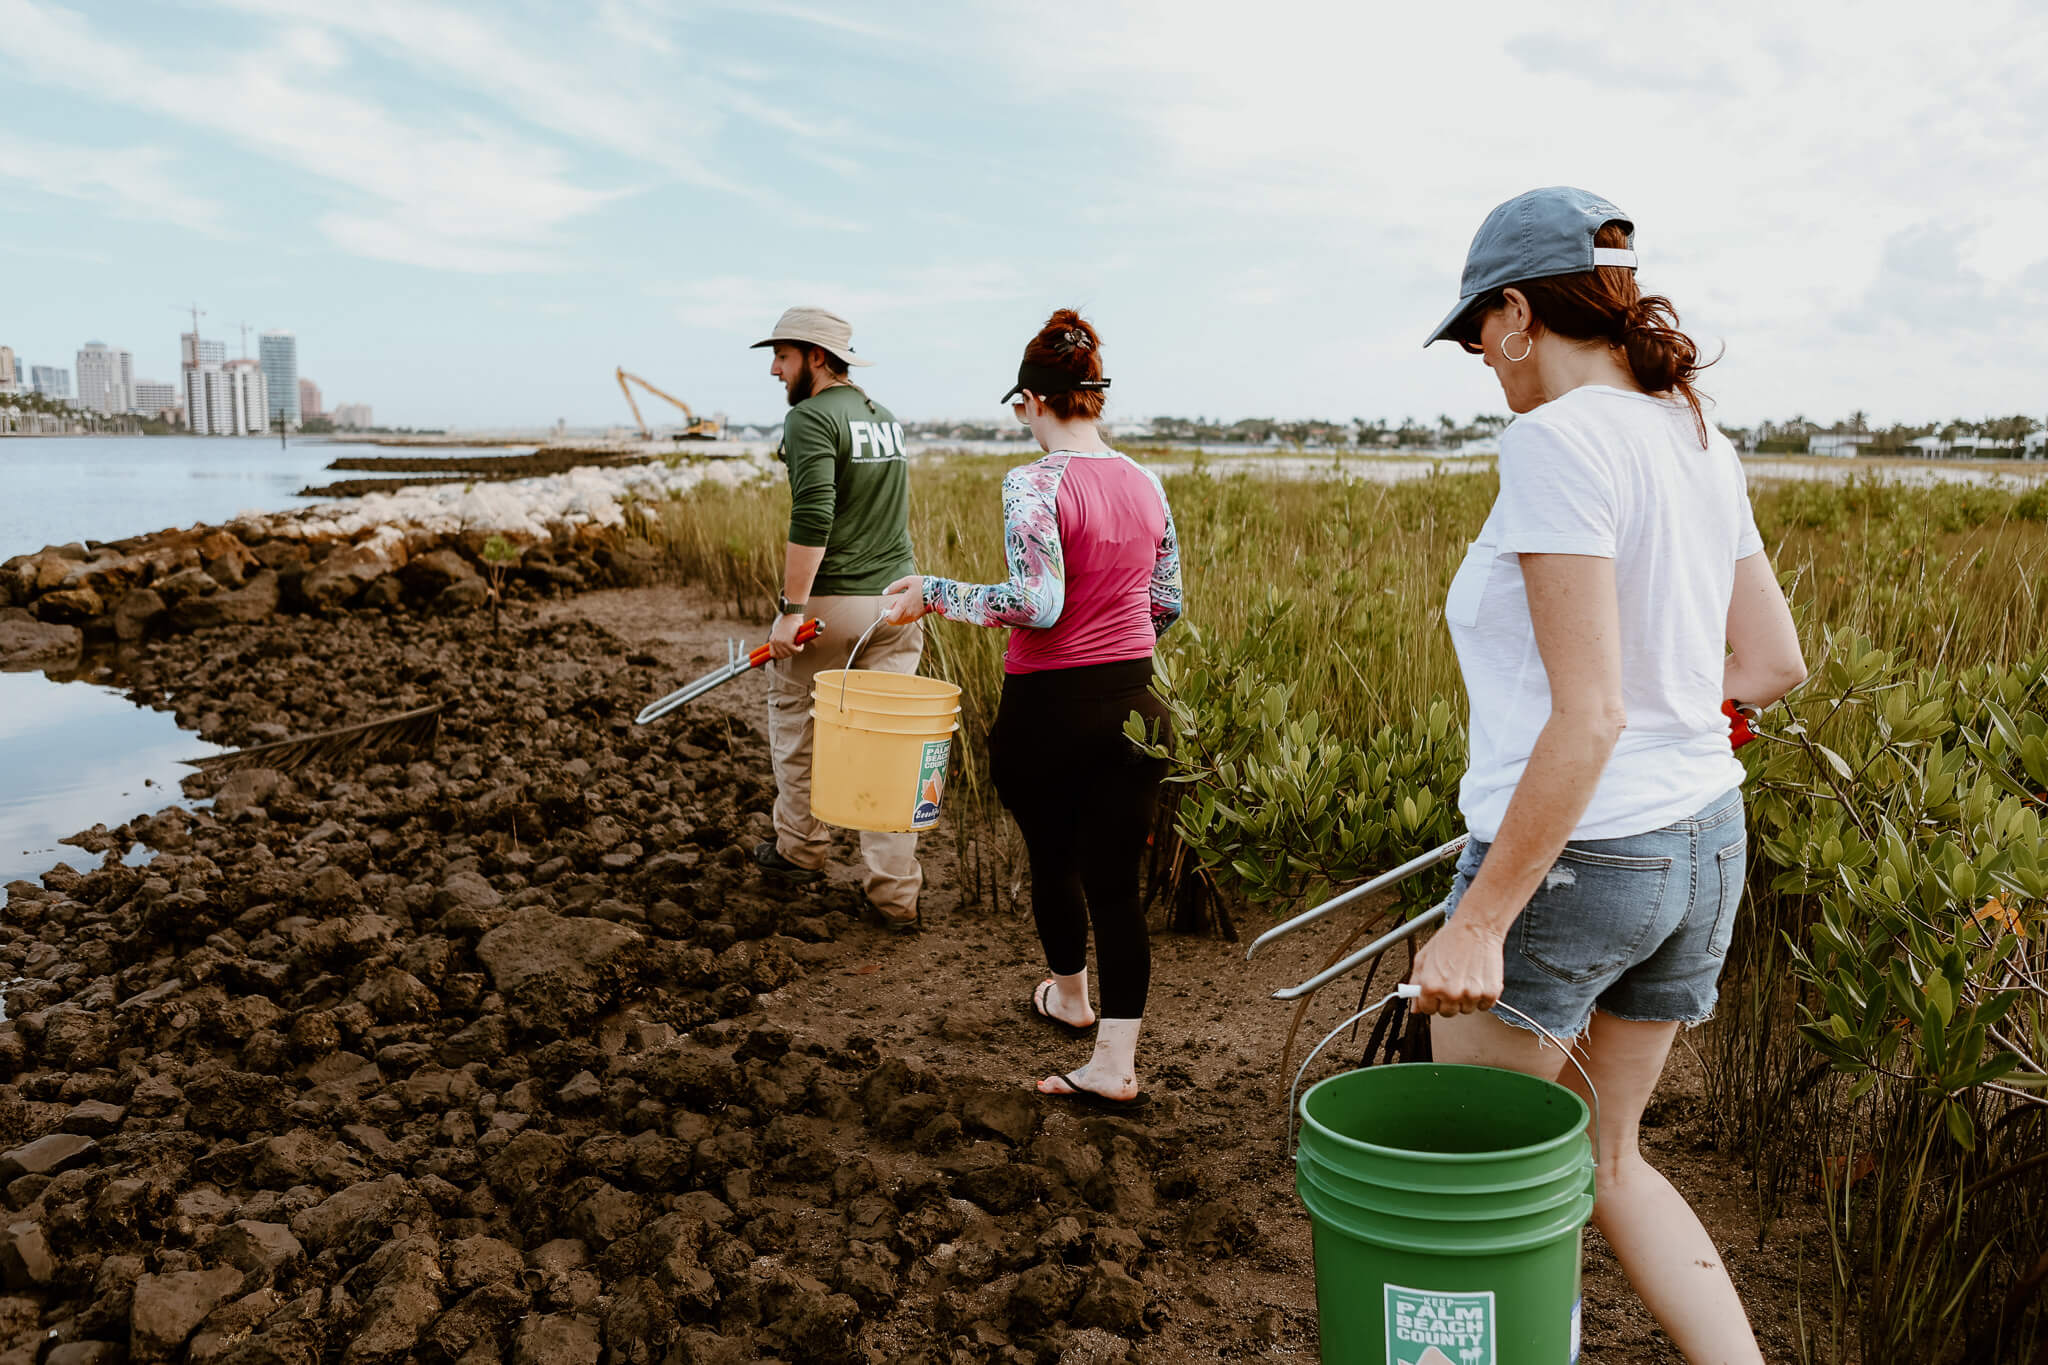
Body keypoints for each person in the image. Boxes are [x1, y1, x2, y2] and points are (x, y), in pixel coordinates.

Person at [1410, 187, 1807, 1364]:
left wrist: (1478, 923)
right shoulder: (1692, 432)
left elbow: (1588, 716)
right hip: (1699, 845)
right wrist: (1685, 730)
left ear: (1519, 313)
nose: (1480, 360)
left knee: (1475, 1192)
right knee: (1606, 1161)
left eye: (1477, 332)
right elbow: (1773, 665)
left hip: (1576, 866)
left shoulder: (1553, 439)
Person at [880, 309, 1181, 1104]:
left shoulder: (1033, 480)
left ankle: (1071, 999)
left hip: (1050, 709)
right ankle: (1114, 1062)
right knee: (1116, 884)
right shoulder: (1147, 482)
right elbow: (1167, 602)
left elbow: (1037, 602)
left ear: (1031, 403)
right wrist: (1116, 653)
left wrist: (932, 594)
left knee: (1053, 857)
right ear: (1096, 398)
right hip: (1138, 706)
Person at [748, 306, 923, 931]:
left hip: (834, 605)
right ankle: (894, 894)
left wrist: (790, 613)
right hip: (898, 603)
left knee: (796, 719)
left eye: (783, 356)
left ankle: (800, 849)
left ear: (816, 358)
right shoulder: (884, 418)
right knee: (891, 747)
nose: (774, 368)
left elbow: (814, 515)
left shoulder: (810, 417)